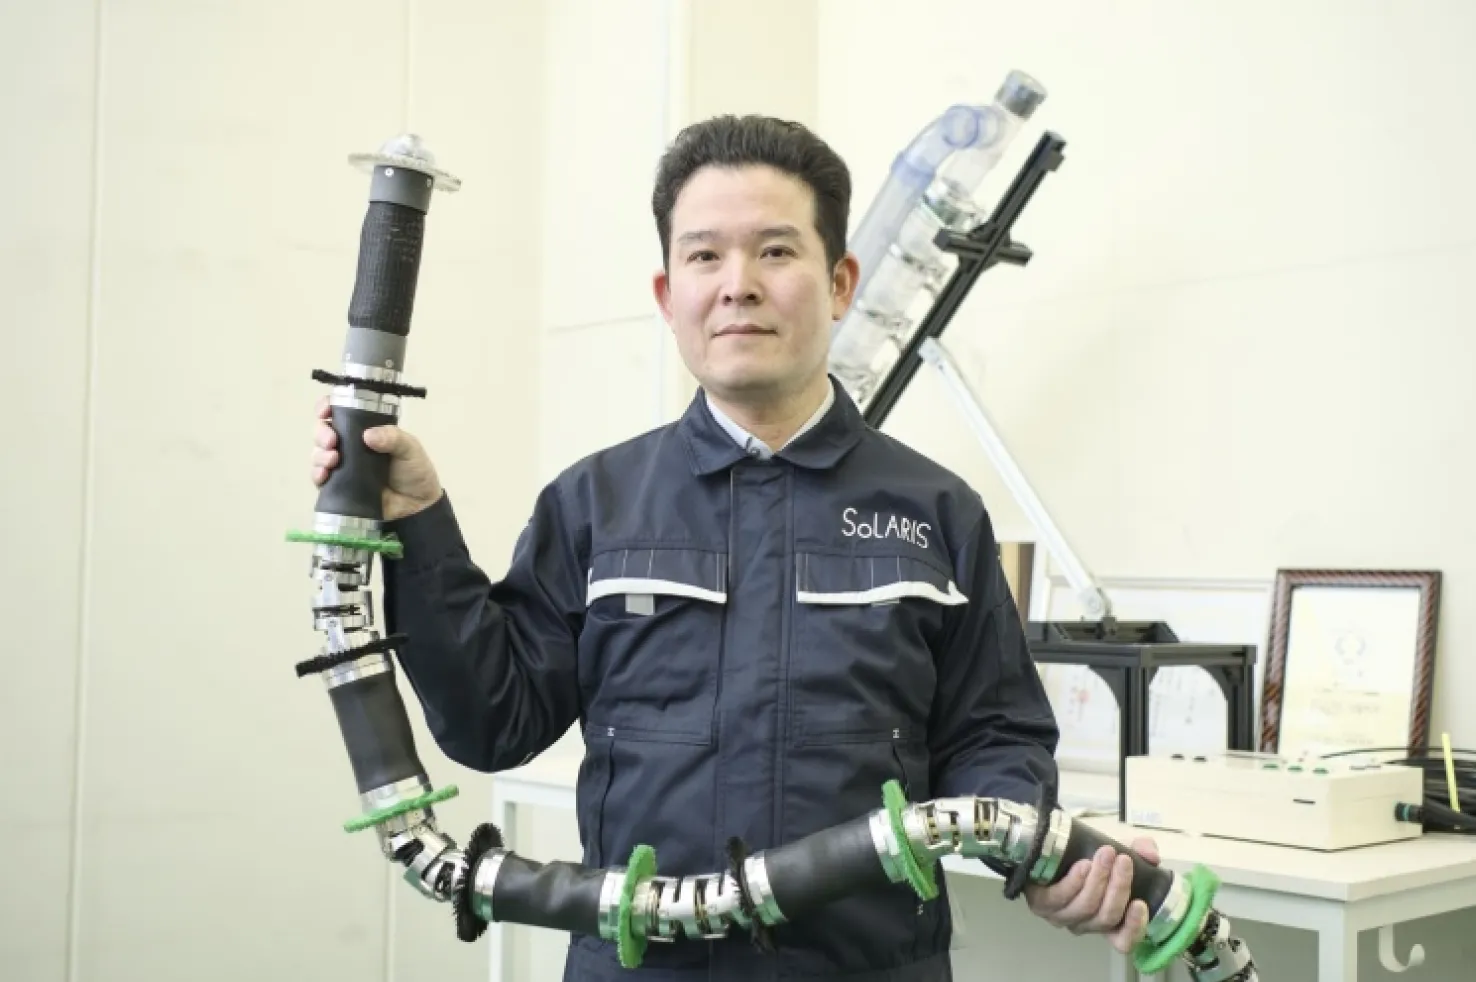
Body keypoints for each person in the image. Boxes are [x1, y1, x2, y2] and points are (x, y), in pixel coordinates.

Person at [311, 114, 1160, 981]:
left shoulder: (937, 512)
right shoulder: (595, 504)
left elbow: (994, 734)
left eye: (776, 252)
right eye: (705, 256)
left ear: (841, 283)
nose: (738, 286)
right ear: (666, 294)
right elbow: (494, 722)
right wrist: (418, 521)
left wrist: (1038, 853)